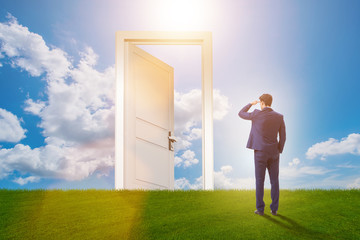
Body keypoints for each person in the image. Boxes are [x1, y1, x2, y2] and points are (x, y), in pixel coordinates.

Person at [238, 94, 286, 216]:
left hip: (260, 152)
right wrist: (278, 150)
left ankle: (260, 209)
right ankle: (274, 209)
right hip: (274, 152)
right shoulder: (279, 117)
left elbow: (241, 113)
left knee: (260, 181)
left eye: (260, 102)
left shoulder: (256, 114)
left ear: (262, 103)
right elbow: (283, 136)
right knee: (274, 181)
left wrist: (251, 104)